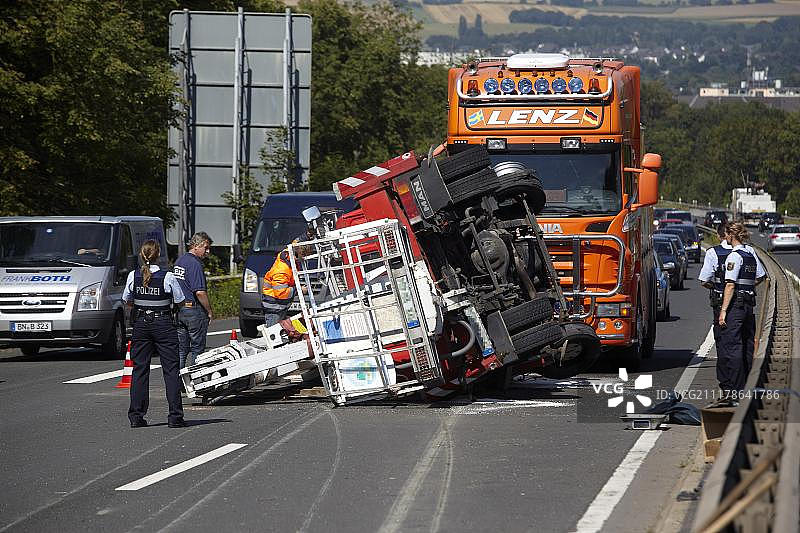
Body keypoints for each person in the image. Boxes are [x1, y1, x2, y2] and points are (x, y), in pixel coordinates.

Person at [123, 240, 187, 428]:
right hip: (163, 324)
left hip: (141, 325)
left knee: (140, 370)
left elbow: (127, 300)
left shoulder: (133, 275)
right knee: (171, 370)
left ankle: (136, 416)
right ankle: (175, 417)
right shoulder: (167, 276)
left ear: (141, 255)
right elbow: (180, 300)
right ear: (158, 254)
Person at [717, 222, 758, 398]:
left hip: (736, 306)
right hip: (749, 305)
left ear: (731, 236)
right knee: (747, 345)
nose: (725, 238)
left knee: (732, 346)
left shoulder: (734, 257)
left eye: (726, 235)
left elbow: (730, 285)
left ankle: (735, 389)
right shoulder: (750, 255)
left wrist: (723, 310)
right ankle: (749, 384)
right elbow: (759, 277)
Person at [173, 232, 214, 368]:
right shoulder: (195, 264)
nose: (207, 252)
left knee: (181, 349)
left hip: (180, 310)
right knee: (197, 349)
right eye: (205, 248)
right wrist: (209, 310)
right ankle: (195, 381)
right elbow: (200, 292)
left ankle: (177, 382)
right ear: (196, 246)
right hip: (194, 310)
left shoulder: (180, 261)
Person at [261, 240, 311, 328]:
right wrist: (299, 290)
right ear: (296, 254)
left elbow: (295, 243)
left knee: (280, 331)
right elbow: (280, 292)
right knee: (274, 331)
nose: (303, 259)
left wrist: (307, 235)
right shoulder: (282, 270)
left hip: (278, 306)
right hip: (275, 307)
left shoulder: (288, 256)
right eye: (303, 256)